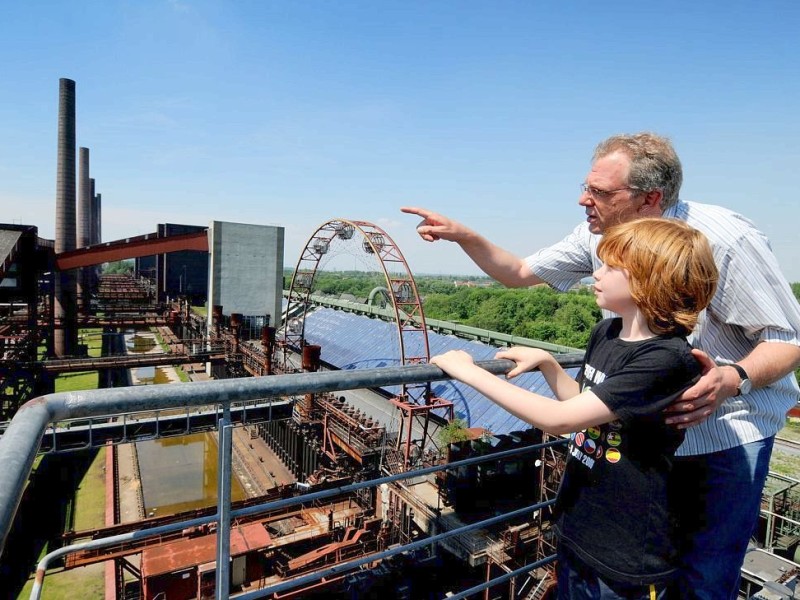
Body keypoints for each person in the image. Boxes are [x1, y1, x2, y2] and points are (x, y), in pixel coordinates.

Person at [402, 132, 800, 600]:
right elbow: (519, 273)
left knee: (704, 578)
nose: (583, 200)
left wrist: (732, 378)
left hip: (722, 439)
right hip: (636, 447)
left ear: (649, 197)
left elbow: (787, 339)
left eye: (601, 192)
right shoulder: (602, 243)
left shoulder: (725, 239)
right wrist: (464, 235)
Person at [431, 217, 719, 599]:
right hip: (579, 525)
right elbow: (584, 402)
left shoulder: (667, 358)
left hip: (627, 553)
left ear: (651, 281)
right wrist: (549, 365)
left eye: (613, 266)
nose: (597, 272)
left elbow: (561, 420)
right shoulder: (607, 333)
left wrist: (468, 373)